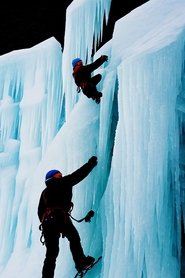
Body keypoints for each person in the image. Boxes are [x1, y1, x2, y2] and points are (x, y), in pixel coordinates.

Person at [38, 156, 98, 278]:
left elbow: (39, 211)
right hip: (59, 217)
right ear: (53, 177)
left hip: (47, 223)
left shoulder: (44, 192)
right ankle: (81, 262)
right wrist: (89, 165)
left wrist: (46, 223)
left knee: (52, 253)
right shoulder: (61, 182)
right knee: (74, 238)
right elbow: (77, 175)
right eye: (59, 175)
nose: (61, 176)